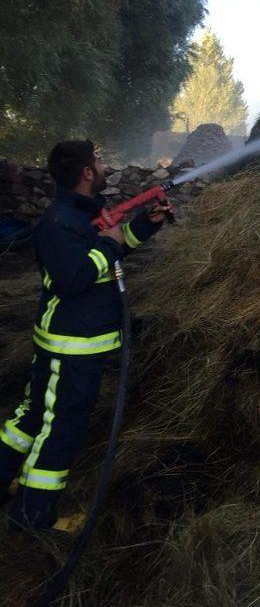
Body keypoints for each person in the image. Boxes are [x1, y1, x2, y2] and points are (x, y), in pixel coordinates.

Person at [0, 140, 172, 532]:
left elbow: (110, 247)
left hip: (68, 343)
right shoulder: (58, 223)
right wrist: (108, 244)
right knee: (62, 426)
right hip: (71, 346)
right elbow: (74, 277)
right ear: (86, 173)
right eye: (98, 159)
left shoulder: (81, 214)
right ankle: (32, 515)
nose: (104, 164)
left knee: (31, 417)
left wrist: (147, 225)